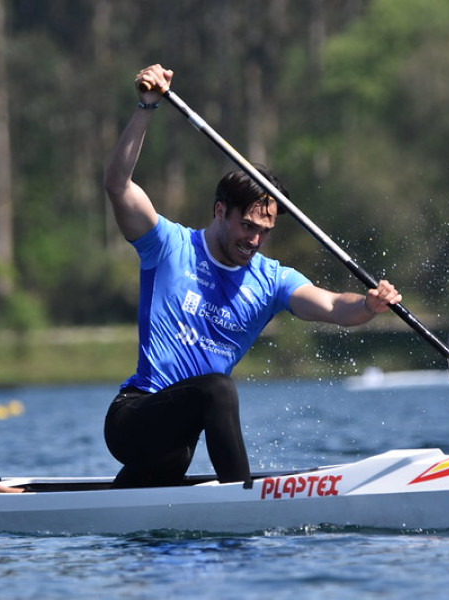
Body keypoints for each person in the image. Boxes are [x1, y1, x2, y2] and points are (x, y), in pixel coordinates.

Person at [102, 64, 402, 489]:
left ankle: (15, 495)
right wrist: (146, 106)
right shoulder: (168, 246)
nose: (256, 240)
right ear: (220, 210)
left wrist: (370, 305)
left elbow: (335, 306)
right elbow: (117, 184)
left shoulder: (272, 280)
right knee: (218, 390)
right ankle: (241, 502)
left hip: (176, 446)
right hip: (133, 418)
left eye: (265, 231)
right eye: (248, 225)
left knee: (194, 422)